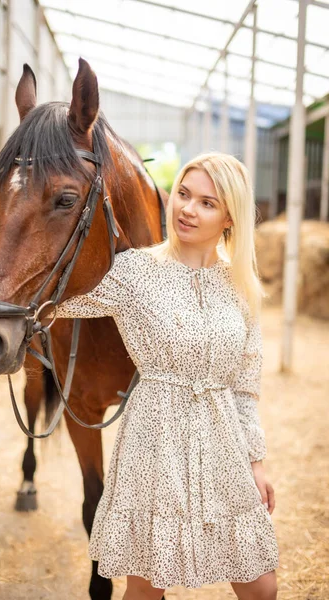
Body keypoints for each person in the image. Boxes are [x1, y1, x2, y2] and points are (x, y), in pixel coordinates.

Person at [56, 152, 279, 600]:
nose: (187, 209)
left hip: (222, 444)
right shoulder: (135, 271)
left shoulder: (241, 285)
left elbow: (245, 384)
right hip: (153, 443)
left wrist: (255, 460)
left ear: (230, 217)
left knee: (262, 588)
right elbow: (61, 298)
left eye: (207, 203)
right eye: (183, 194)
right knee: (145, 589)